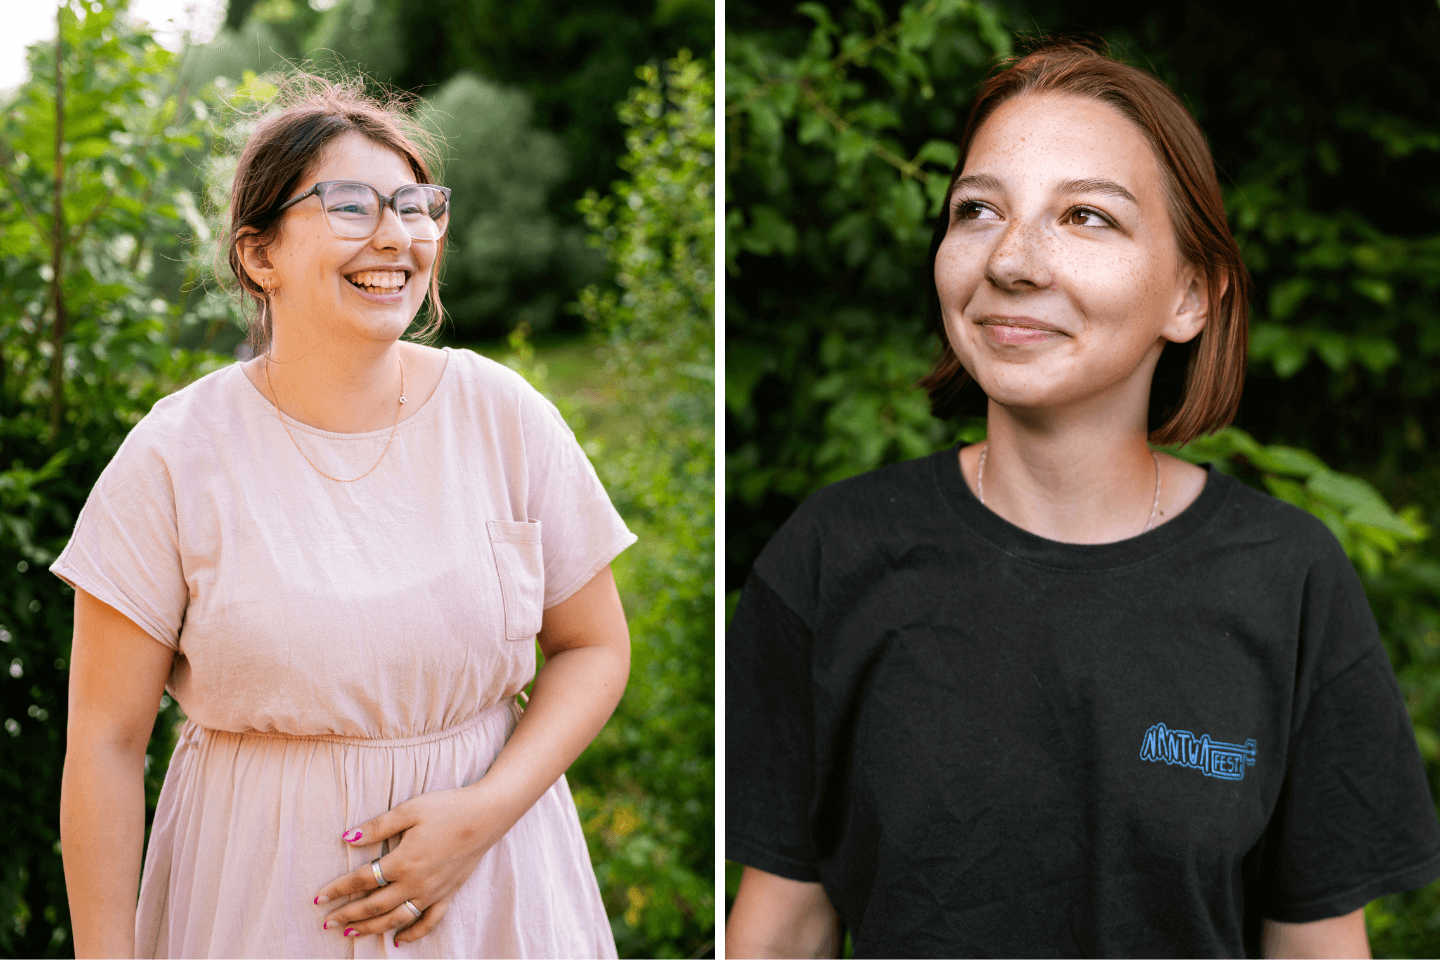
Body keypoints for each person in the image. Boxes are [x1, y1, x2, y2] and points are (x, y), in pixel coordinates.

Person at [725, 43, 1440, 959]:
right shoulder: (832, 556)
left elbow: (1317, 946)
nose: (1012, 261)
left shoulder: (1289, 580)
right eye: (977, 210)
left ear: (1190, 294)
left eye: (1086, 216)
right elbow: (780, 931)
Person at [55, 76, 635, 959]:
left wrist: (479, 819)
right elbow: (105, 741)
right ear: (260, 255)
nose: (398, 237)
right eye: (353, 206)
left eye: (416, 206)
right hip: (254, 904)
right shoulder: (175, 455)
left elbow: (595, 647)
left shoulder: (503, 416)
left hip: (492, 897)